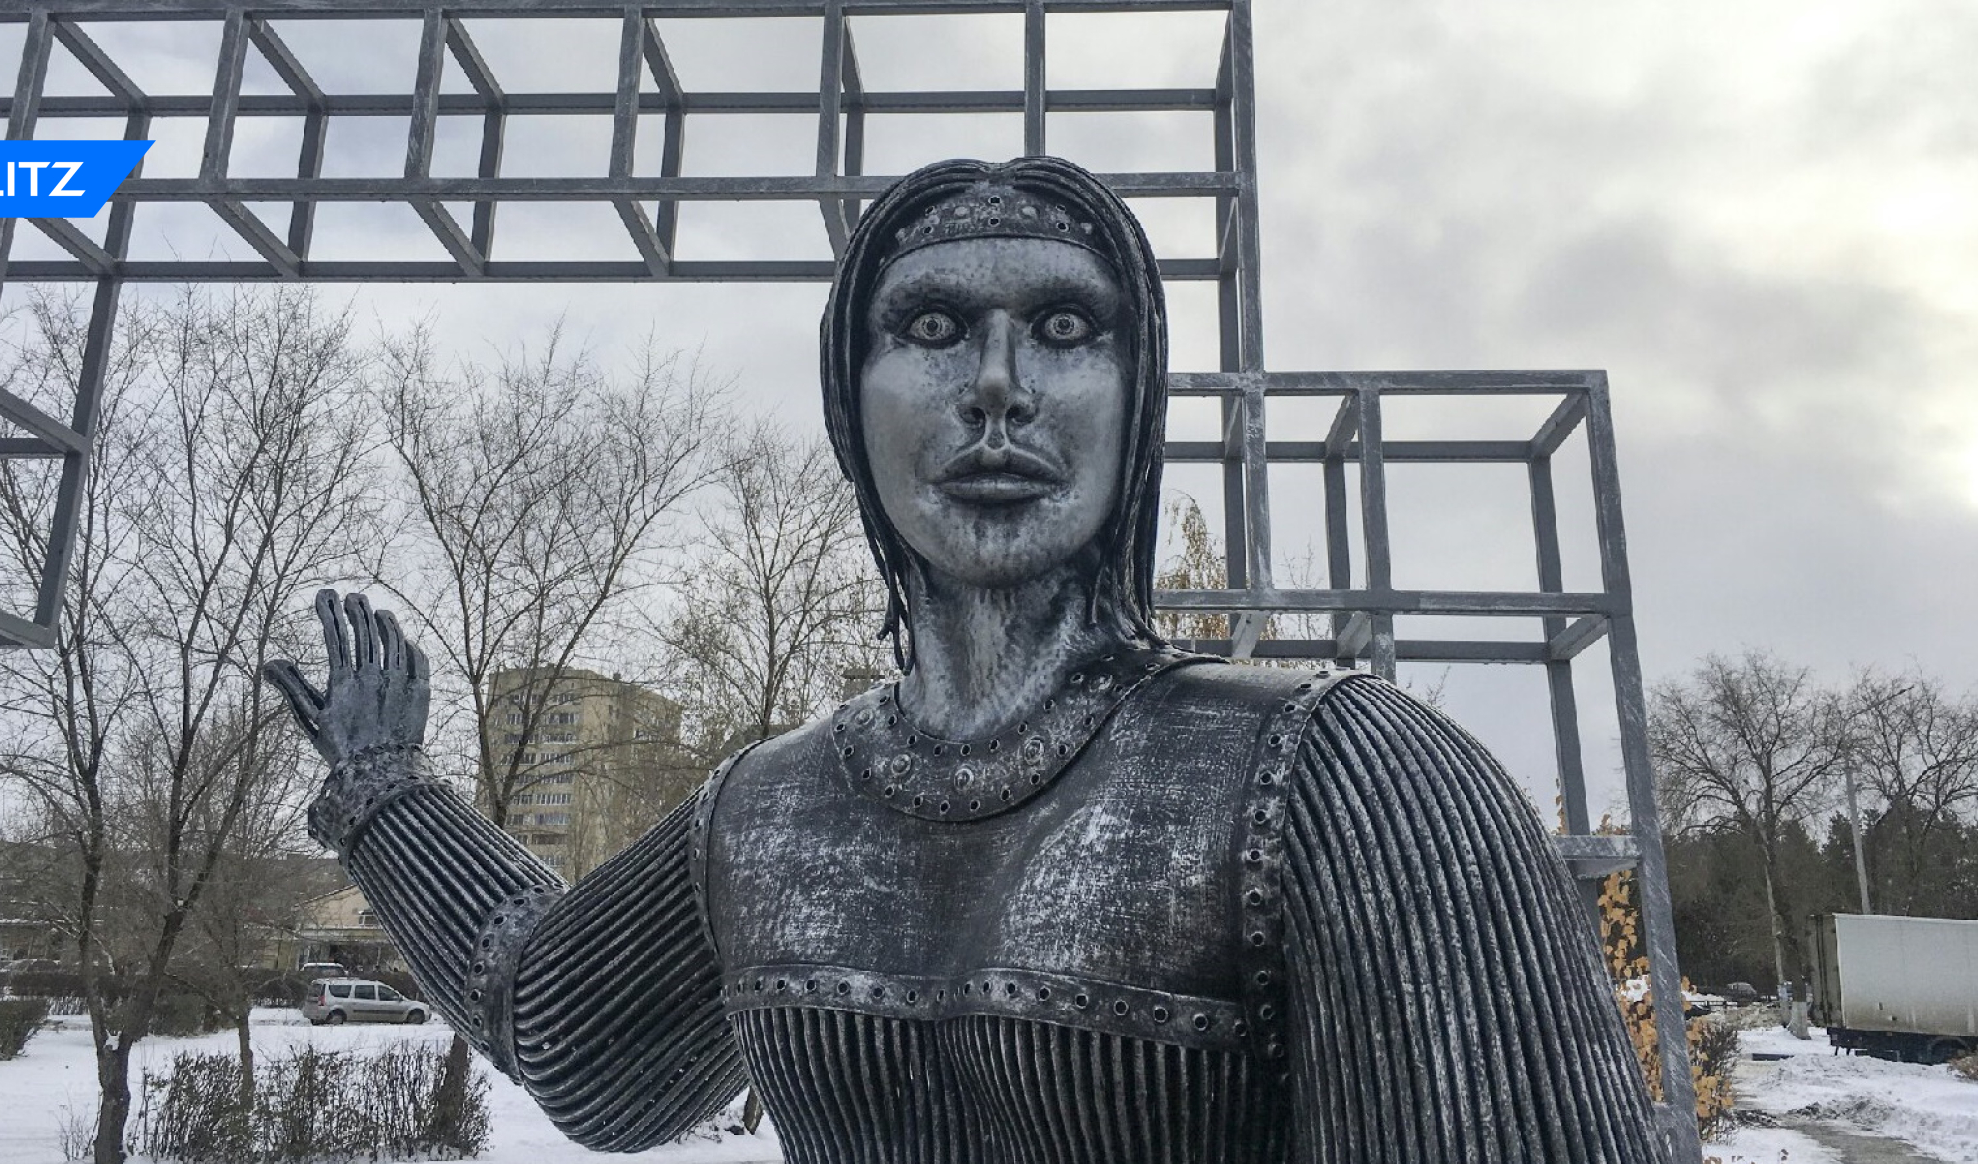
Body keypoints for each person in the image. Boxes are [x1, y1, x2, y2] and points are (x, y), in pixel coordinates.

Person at [265, 157, 1665, 1163]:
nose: (996, 381)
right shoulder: (770, 808)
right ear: (848, 403)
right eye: (930, 327)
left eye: (1064, 327)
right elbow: (575, 1046)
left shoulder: (1342, 776)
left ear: (1134, 401)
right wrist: (387, 792)